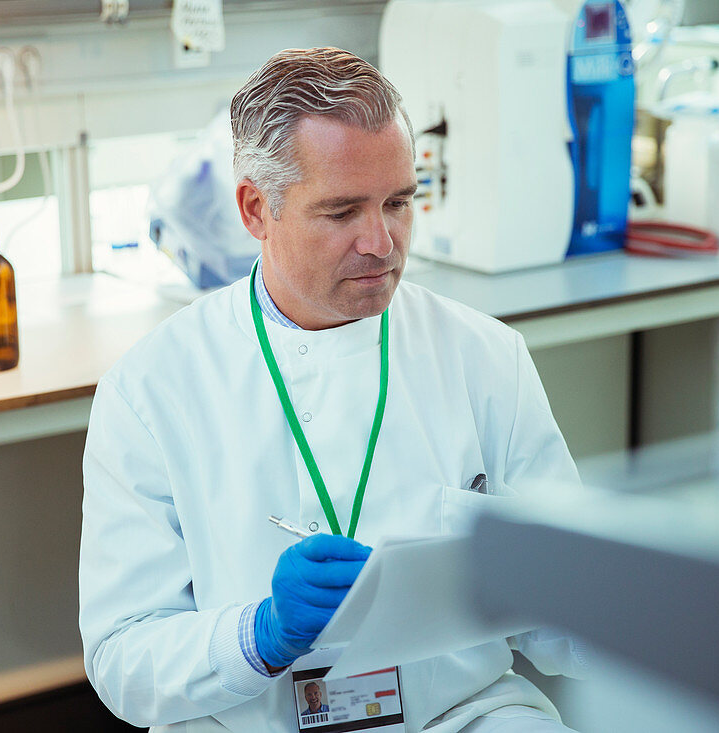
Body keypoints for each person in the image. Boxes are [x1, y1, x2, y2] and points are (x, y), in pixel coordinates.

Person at [80, 47, 589, 733]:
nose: (381, 241)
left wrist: (635, 597)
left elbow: (569, 622)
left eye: (399, 202)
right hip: (244, 721)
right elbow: (122, 657)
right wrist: (257, 635)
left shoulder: (483, 355)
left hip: (458, 714)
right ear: (257, 209)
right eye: (342, 211)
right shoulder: (151, 390)